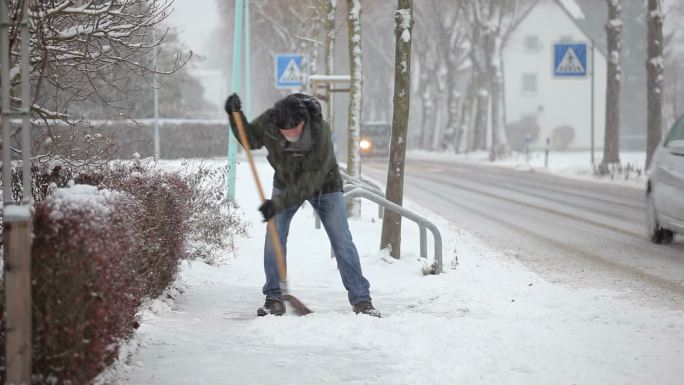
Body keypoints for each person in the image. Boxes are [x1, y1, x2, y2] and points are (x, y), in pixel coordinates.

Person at [224, 92, 381, 318]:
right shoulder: (271, 121)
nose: (291, 136)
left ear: (303, 121)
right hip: (286, 184)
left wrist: (278, 203)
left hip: (324, 185)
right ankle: (274, 298)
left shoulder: (320, 131)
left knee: (342, 240)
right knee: (274, 236)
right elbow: (250, 139)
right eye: (285, 133)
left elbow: (310, 181)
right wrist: (235, 115)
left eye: (295, 130)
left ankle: (362, 300)